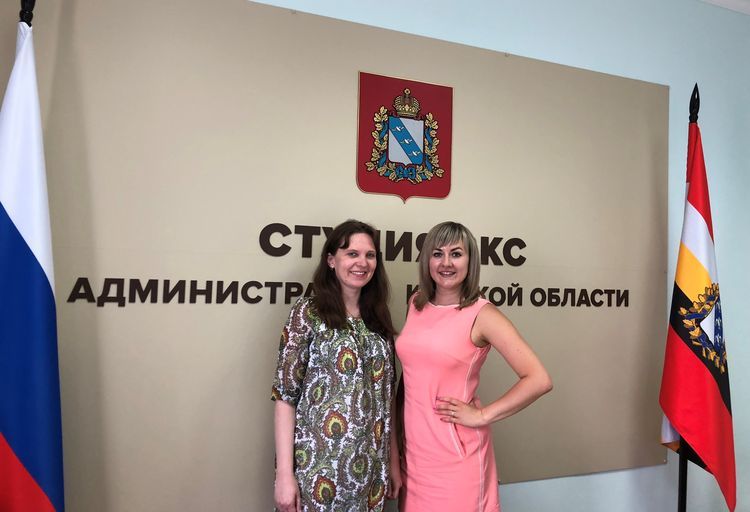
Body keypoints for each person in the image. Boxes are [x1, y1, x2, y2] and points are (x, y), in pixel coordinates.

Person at [396, 221, 552, 512]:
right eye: (438, 254)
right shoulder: (416, 303)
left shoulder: (483, 314)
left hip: (456, 458)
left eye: (456, 254)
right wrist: (396, 451)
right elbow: (410, 377)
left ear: (470, 261)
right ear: (427, 259)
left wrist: (482, 415)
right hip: (415, 456)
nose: (446, 263)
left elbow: (538, 379)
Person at [272, 219, 401, 512]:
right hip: (316, 473)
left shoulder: (378, 319)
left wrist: (393, 462)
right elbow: (285, 396)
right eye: (352, 253)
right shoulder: (308, 312)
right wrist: (284, 475)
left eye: (370, 255)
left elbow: (388, 398)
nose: (362, 263)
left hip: (370, 475)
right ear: (331, 260)